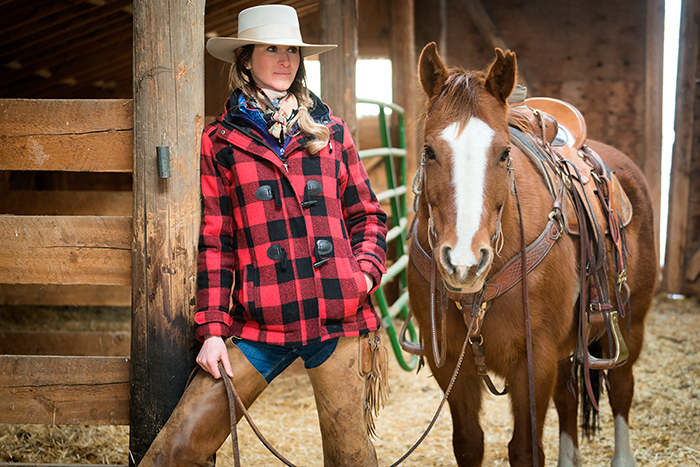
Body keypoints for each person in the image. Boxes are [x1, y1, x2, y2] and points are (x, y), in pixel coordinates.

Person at [138, 4, 389, 466]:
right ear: (245, 58)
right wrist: (213, 330)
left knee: (351, 457)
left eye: (291, 49)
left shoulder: (331, 130)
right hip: (260, 322)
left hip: (338, 314)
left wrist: (363, 277)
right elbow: (217, 242)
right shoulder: (219, 141)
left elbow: (369, 217)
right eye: (271, 48)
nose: (284, 59)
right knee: (179, 446)